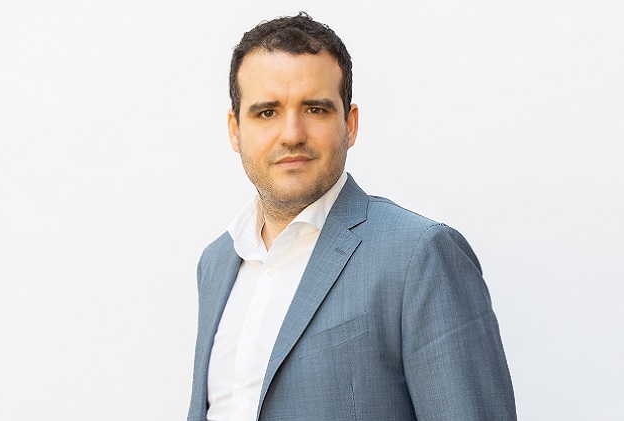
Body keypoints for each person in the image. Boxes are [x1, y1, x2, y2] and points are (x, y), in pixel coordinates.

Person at [188, 12, 516, 421]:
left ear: (350, 124)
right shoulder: (216, 263)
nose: (292, 134)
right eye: (267, 112)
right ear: (235, 129)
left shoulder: (418, 255)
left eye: (315, 109)